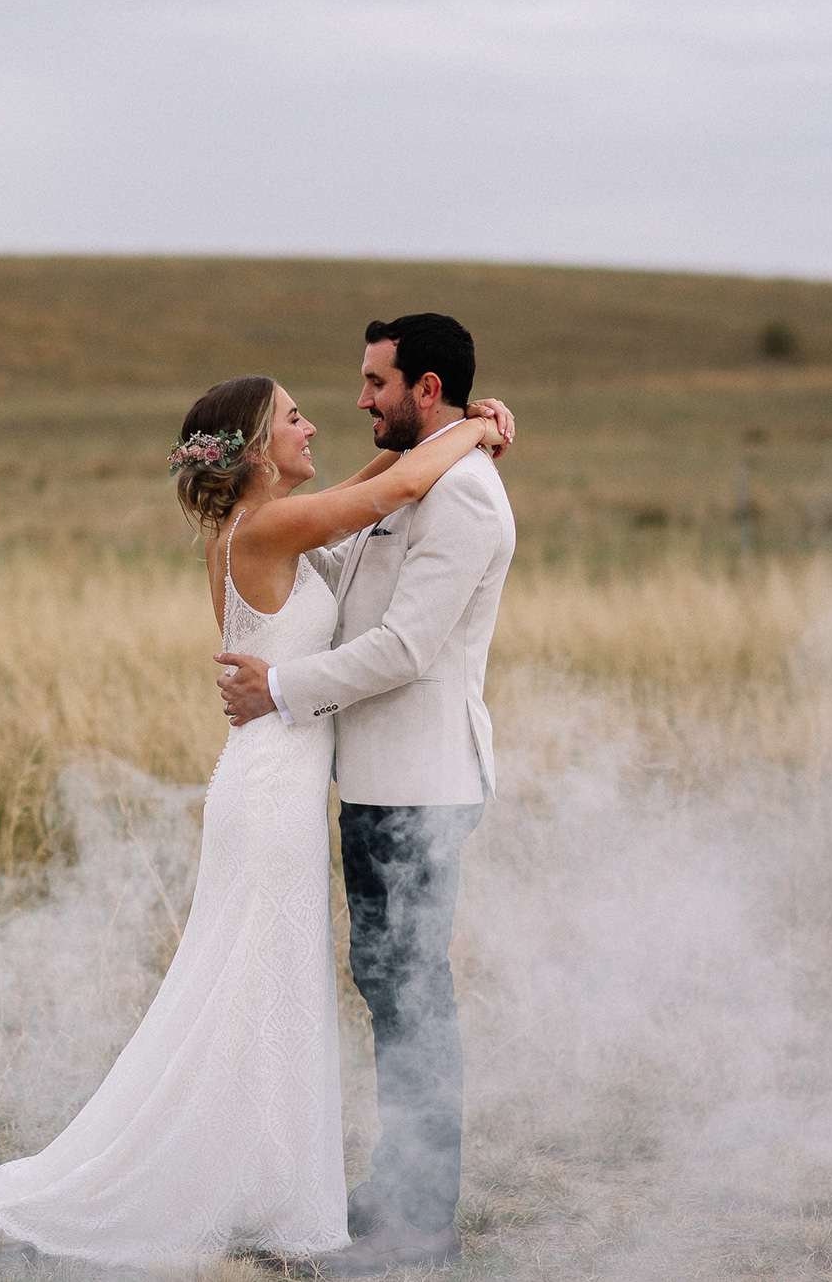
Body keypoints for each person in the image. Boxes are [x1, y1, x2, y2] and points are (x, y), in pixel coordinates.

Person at [0, 371, 511, 1269]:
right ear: (256, 450)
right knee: (255, 988)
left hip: (270, 780)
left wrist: (451, 433)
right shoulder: (267, 527)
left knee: (263, 990)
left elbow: (368, 484)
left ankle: (260, 1178)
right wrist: (476, 426)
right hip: (271, 791)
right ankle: (222, 1179)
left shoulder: (255, 523)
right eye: (295, 417)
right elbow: (387, 491)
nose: (315, 424)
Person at [218, 313, 516, 1275]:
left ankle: (421, 1223)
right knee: (389, 987)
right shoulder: (414, 480)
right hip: (377, 786)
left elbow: (405, 647)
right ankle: (396, 1194)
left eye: (376, 383)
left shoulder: (463, 495)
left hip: (421, 789)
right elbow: (345, 566)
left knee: (412, 996)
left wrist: (281, 687)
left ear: (427, 388)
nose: (360, 400)